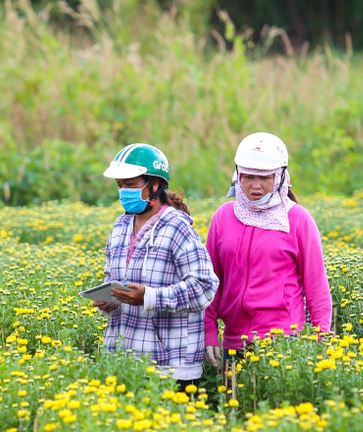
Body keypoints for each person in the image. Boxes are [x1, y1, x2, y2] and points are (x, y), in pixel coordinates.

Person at [94, 143, 219, 388]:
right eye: (120, 186)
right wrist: (109, 300)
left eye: (131, 185)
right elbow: (113, 279)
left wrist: (150, 297)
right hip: (124, 361)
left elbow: (205, 287)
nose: (124, 192)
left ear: (154, 185)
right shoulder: (120, 227)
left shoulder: (177, 227)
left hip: (170, 364)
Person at [203, 132, 332, 368]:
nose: (256, 186)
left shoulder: (298, 220)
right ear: (237, 176)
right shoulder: (223, 217)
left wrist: (320, 341)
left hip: (283, 344)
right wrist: (209, 330)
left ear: (280, 177)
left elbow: (317, 287)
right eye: (248, 176)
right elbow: (210, 281)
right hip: (234, 342)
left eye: (264, 178)